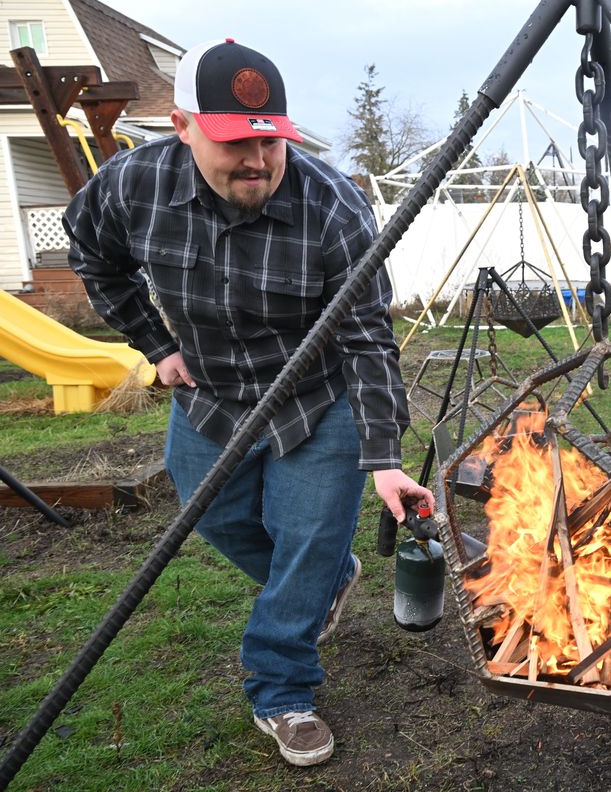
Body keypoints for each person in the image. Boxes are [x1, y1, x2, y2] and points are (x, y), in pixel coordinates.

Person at [64, 38, 433, 767]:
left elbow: (366, 336)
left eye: (270, 144)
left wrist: (385, 460)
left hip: (313, 400)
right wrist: (154, 345)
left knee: (305, 542)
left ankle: (283, 692)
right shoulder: (132, 185)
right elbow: (91, 254)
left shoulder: (332, 206)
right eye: (234, 144)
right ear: (183, 127)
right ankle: (324, 579)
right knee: (219, 518)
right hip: (210, 394)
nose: (257, 163)